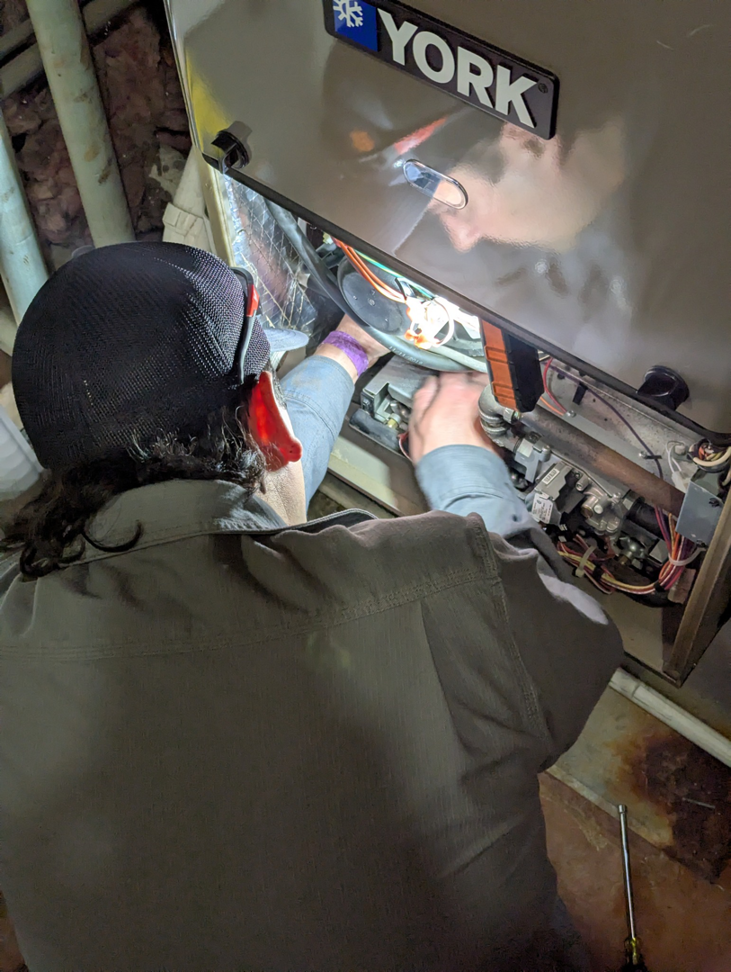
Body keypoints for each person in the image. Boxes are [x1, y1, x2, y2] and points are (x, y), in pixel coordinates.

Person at [0, 242, 622, 972]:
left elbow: (242, 496)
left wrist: (348, 353)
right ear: (264, 409)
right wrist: (463, 465)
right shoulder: (450, 587)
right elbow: (582, 640)